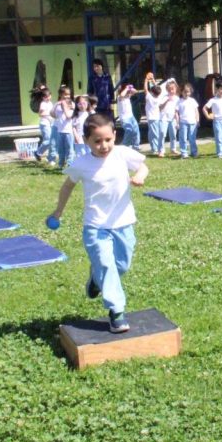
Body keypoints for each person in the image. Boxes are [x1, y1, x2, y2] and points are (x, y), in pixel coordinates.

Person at [49, 113, 149, 333]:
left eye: (108, 139)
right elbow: (67, 186)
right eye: (97, 141)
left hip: (123, 223)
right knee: (106, 264)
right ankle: (116, 311)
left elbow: (143, 166)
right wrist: (58, 211)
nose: (103, 146)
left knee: (121, 265)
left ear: (114, 135)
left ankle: (95, 279)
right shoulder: (81, 163)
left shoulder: (122, 154)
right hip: (96, 226)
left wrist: (140, 176)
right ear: (86, 140)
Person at [53, 85, 75, 168]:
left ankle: (70, 164)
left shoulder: (72, 104)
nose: (67, 96)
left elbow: (68, 116)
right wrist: (56, 105)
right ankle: (61, 164)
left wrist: (66, 107)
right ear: (60, 95)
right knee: (60, 149)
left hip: (68, 131)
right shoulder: (58, 105)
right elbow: (52, 114)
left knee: (69, 149)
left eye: (68, 94)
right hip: (60, 131)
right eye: (65, 94)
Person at [177, 83, 200, 158]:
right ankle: (184, 153)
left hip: (193, 122)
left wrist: (197, 120)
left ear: (190, 92)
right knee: (183, 138)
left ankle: (194, 152)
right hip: (183, 122)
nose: (186, 94)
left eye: (188, 92)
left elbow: (196, 111)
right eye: (185, 92)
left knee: (192, 138)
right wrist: (177, 122)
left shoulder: (192, 100)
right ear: (181, 92)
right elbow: (176, 113)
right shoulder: (179, 101)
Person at [34, 87, 56, 164]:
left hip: (51, 123)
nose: (48, 98)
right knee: (48, 140)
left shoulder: (50, 103)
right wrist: (49, 114)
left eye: (49, 96)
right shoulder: (43, 104)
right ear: (43, 97)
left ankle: (50, 158)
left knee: (52, 141)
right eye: (46, 97)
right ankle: (38, 152)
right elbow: (40, 114)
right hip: (44, 124)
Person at [116, 83, 140, 150]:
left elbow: (135, 91)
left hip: (131, 116)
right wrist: (126, 88)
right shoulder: (119, 97)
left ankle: (136, 146)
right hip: (124, 118)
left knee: (136, 130)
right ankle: (125, 145)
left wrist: (130, 88)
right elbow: (122, 95)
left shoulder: (128, 96)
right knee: (129, 131)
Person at [144, 78, 165, 156]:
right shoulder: (159, 97)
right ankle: (154, 148)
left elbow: (145, 89)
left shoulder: (150, 97)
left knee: (154, 134)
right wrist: (153, 80)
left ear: (152, 92)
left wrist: (146, 80)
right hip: (155, 118)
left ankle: (155, 149)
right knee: (152, 134)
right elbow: (157, 88)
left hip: (152, 118)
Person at [160, 79, 180, 157]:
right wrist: (167, 101)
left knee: (173, 134)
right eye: (169, 89)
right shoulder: (164, 97)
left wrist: (177, 122)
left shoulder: (177, 98)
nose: (171, 91)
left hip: (173, 118)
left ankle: (173, 149)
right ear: (167, 90)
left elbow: (177, 111)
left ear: (175, 89)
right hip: (164, 117)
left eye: (173, 89)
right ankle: (161, 150)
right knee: (162, 133)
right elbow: (160, 107)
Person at [71, 94, 90, 159]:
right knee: (80, 153)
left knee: (89, 152)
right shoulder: (76, 115)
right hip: (79, 137)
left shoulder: (89, 114)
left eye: (84, 103)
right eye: (80, 104)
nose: (82, 106)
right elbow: (73, 127)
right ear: (76, 105)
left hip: (88, 137)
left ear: (87, 104)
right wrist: (76, 136)